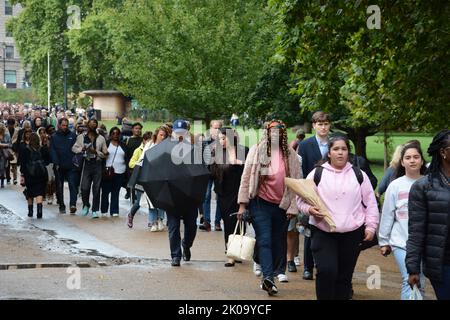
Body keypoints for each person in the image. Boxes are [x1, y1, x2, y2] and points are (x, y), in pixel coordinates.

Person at [297, 134, 379, 300]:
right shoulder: (316, 174)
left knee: (344, 276)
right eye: (336, 149)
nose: (340, 153)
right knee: (327, 271)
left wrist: (371, 227)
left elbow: (371, 203)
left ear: (348, 152)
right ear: (329, 153)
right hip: (323, 231)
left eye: (344, 149)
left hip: (351, 233)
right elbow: (300, 200)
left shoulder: (359, 175)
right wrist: (309, 209)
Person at [237, 120, 301, 295]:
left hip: (281, 206)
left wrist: (292, 207)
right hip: (260, 203)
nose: (275, 134)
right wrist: (242, 205)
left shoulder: (290, 155)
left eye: (279, 131)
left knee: (277, 242)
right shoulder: (257, 151)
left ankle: (270, 269)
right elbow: (246, 178)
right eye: (271, 131)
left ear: (283, 134)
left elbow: (297, 183)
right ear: (266, 132)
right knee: (264, 239)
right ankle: (268, 278)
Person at [378, 142, 427, 299]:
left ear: (422, 160)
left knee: (421, 283)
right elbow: (387, 214)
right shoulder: (395, 185)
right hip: (401, 242)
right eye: (408, 157)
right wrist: (384, 241)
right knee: (409, 280)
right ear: (402, 162)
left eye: (416, 157)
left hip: (425, 243)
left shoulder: (430, 183)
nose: (412, 160)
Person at [407, 129, 450, 300]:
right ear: (443, 152)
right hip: (443, 263)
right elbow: (416, 231)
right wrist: (413, 268)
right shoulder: (424, 187)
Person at [297, 111, 331, 281]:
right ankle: (308, 267)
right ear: (314, 126)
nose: (323, 127)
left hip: (331, 192)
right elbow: (301, 170)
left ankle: (323, 265)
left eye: (325, 124)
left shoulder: (335, 143)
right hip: (311, 190)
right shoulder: (305, 145)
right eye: (320, 124)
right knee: (310, 229)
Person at [210, 127, 248, 267]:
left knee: (240, 222)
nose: (221, 141)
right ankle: (230, 254)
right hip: (224, 193)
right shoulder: (218, 153)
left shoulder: (244, 151)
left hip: (240, 192)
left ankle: (236, 251)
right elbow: (211, 174)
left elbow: (249, 170)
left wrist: (239, 163)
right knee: (228, 223)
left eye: (223, 138)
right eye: (219, 138)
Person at [166, 119, 202, 266]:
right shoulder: (166, 150)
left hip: (190, 196)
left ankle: (186, 244)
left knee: (191, 227)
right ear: (173, 133)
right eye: (178, 133)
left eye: (183, 133)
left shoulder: (195, 151)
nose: (180, 136)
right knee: (173, 227)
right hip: (172, 196)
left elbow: (202, 172)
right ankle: (175, 255)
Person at [72, 119, 109, 219]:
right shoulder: (81, 137)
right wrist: (82, 149)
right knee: (84, 187)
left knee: (96, 188)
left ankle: (95, 210)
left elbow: (105, 153)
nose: (93, 126)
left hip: (97, 164)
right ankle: (86, 204)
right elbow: (74, 148)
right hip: (86, 163)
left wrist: (97, 152)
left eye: (95, 124)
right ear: (87, 125)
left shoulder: (101, 138)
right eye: (91, 124)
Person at [50, 118, 78, 214]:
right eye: (63, 125)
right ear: (59, 125)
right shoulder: (54, 137)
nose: (65, 127)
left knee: (72, 185)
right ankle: (61, 205)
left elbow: (76, 149)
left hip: (71, 165)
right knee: (59, 186)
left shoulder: (73, 136)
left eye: (66, 125)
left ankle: (72, 204)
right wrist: (56, 162)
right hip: (59, 166)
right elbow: (52, 151)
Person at [19, 133, 50, 219]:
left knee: (30, 192)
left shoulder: (26, 150)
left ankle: (30, 211)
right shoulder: (43, 149)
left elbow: (23, 163)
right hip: (41, 174)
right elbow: (48, 160)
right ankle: (39, 211)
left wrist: (22, 174)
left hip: (29, 174)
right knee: (39, 192)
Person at [127, 131, 153, 228]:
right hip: (140, 179)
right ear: (144, 140)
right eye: (148, 141)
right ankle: (131, 215)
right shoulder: (138, 150)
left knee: (151, 201)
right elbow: (131, 163)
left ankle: (151, 221)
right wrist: (141, 164)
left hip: (150, 179)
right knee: (138, 202)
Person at [200, 120, 223, 232]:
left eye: (218, 128)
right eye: (214, 128)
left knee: (219, 195)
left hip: (219, 172)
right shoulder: (205, 140)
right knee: (206, 196)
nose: (216, 130)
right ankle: (206, 221)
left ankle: (217, 222)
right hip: (207, 171)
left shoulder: (223, 140)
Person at [100, 127, 128, 217]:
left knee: (116, 192)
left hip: (120, 172)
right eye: (113, 133)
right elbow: (101, 156)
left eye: (117, 133)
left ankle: (114, 210)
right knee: (105, 192)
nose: (115, 135)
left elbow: (127, 157)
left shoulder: (123, 145)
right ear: (110, 134)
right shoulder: (106, 144)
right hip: (108, 172)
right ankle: (104, 210)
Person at [123, 122, 143, 199]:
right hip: (129, 164)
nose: (138, 130)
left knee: (138, 182)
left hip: (139, 164)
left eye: (139, 129)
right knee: (128, 180)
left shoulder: (142, 140)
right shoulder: (128, 140)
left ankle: (136, 196)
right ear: (132, 129)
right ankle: (128, 192)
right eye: (136, 128)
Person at [0, 123, 12, 188]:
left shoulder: (7, 135)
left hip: (4, 154)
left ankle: (2, 181)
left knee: (2, 168)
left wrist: (3, 145)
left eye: (2, 129)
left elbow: (10, 144)